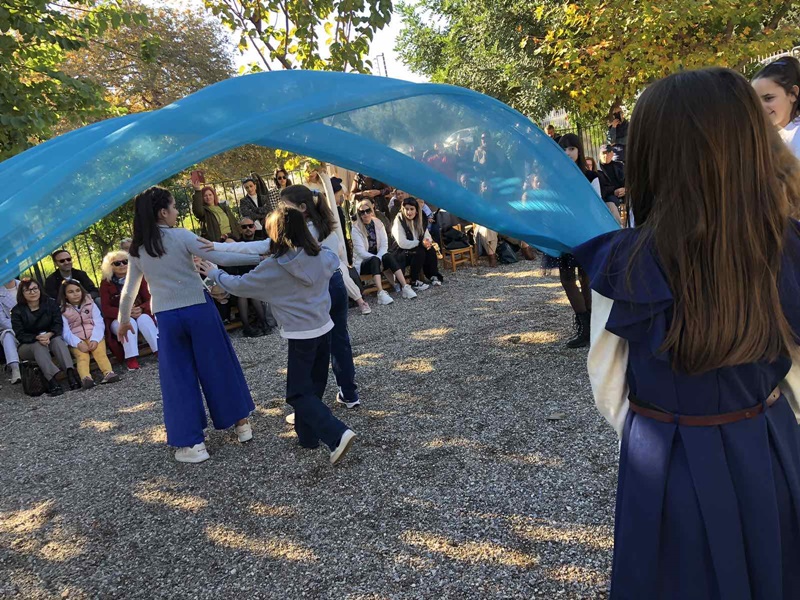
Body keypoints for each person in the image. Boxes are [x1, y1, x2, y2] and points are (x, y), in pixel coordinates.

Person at [576, 66, 800, 599]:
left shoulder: (623, 262)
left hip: (665, 454)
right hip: (767, 441)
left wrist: (659, 434)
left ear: (652, 155)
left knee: (677, 576)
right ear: (749, 144)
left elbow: (607, 382)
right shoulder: (785, 244)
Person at [197, 205, 357, 465]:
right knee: (313, 387)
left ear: (274, 234)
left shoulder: (273, 267)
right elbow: (331, 258)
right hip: (324, 328)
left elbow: (239, 285)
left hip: (301, 335)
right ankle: (308, 436)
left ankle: (336, 434)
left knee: (297, 393)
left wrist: (214, 273)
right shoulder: (321, 255)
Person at [117, 186, 258, 464]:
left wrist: (123, 320)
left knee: (177, 379)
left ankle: (193, 444)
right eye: (174, 206)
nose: (178, 211)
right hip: (199, 309)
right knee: (219, 365)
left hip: (168, 318)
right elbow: (222, 256)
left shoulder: (138, 248)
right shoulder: (181, 236)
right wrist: (261, 256)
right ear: (163, 212)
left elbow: (129, 289)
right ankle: (241, 425)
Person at [11, 279, 79, 396]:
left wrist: (50, 334)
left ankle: (70, 374)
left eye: (35, 289)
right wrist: (37, 338)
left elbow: (58, 324)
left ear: (39, 289)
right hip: (28, 345)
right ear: (22, 293)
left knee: (58, 341)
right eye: (27, 290)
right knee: (38, 346)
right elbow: (20, 335)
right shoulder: (17, 311)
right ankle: (52, 381)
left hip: (50, 337)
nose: (32, 292)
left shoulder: (51, 303)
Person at [351, 198, 417, 305]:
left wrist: (380, 257)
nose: (365, 214)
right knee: (374, 260)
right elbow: (360, 252)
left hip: (378, 257)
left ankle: (405, 286)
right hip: (364, 262)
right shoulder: (356, 228)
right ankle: (380, 293)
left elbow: (384, 244)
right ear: (358, 214)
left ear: (372, 211)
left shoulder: (378, 223)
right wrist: (377, 258)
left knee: (388, 256)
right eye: (362, 212)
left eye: (367, 211)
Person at [100, 250, 159, 370]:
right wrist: (125, 313)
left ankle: (159, 352)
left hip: (140, 313)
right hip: (117, 318)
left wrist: (141, 309)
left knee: (145, 320)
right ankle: (131, 358)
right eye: (117, 263)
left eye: (125, 262)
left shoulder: (139, 277)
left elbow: (150, 299)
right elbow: (106, 309)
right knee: (128, 323)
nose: (122, 265)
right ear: (109, 267)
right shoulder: (106, 284)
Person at [58, 279, 120, 389]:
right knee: (82, 357)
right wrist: (78, 343)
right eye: (70, 292)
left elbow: (99, 322)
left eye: (77, 290)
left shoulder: (90, 304)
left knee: (100, 353)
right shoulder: (63, 310)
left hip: (94, 335)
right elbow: (65, 332)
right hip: (77, 339)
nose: (75, 294)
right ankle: (86, 378)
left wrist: (95, 339)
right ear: (65, 295)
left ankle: (108, 373)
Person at [226, 217, 271, 337]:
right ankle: (253, 325)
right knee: (245, 291)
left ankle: (261, 323)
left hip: (261, 278)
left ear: (255, 227)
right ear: (240, 230)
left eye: (250, 226)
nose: (248, 229)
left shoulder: (262, 242)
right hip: (244, 279)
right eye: (244, 227)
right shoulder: (238, 244)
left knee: (249, 290)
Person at [752, 56, 800, 157]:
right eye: (756, 101)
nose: (760, 107)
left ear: (792, 94)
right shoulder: (762, 136)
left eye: (768, 98)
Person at [392, 197, 443, 287]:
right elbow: (402, 242)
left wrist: (427, 242)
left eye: (412, 209)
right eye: (406, 209)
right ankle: (414, 280)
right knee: (419, 251)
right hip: (402, 251)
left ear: (416, 210)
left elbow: (426, 234)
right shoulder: (399, 220)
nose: (409, 212)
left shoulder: (420, 218)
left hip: (417, 245)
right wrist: (420, 243)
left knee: (430, 249)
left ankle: (433, 275)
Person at [0, 279, 22, 384]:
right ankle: (15, 369)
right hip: (12, 328)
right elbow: (2, 321)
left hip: (32, 324)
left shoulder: (25, 285)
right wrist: (20, 326)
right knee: (7, 336)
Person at [598, 144, 626, 208]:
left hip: (622, 192)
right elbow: (600, 189)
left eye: (608, 153)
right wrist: (614, 191)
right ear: (599, 155)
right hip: (608, 195)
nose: (606, 155)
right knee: (613, 201)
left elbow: (627, 180)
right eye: (604, 153)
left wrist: (625, 189)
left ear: (612, 154)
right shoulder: (597, 169)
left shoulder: (619, 166)